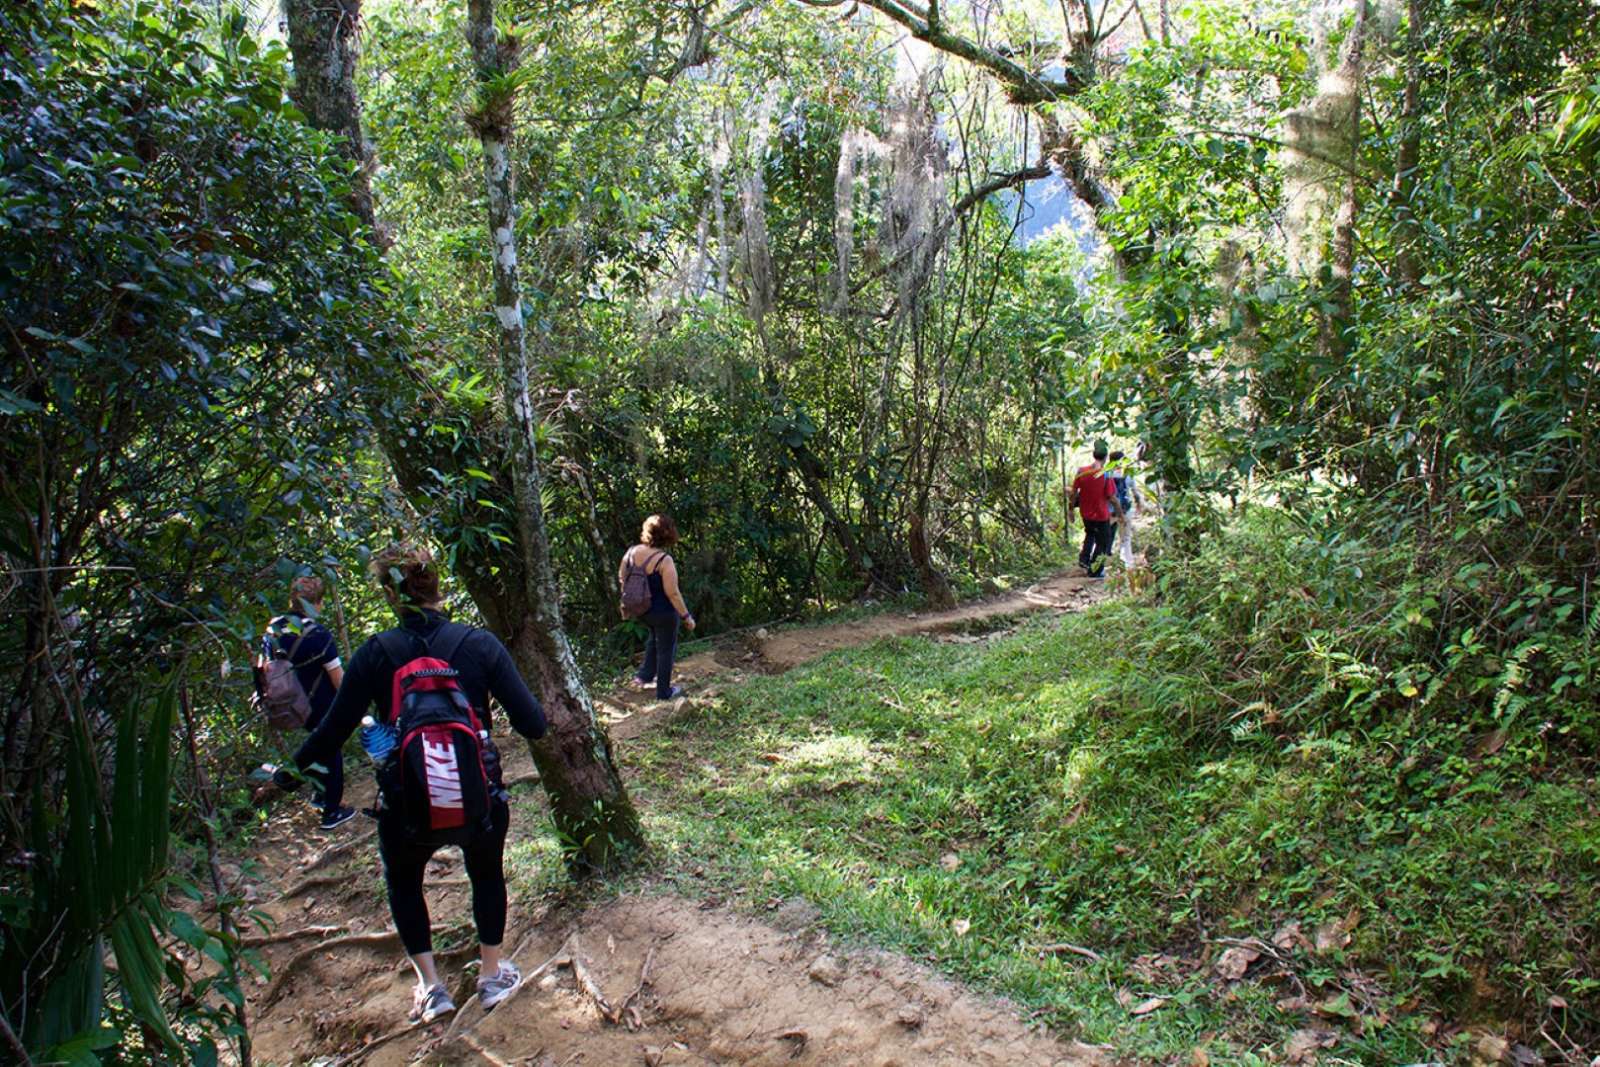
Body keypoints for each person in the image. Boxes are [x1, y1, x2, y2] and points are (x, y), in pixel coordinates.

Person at [275, 543, 548, 1025]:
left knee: (403, 881)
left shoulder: (375, 654)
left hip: (405, 807)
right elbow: (534, 724)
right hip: (479, 803)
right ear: (437, 584)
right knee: (486, 873)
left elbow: (331, 732)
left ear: (388, 593)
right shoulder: (479, 644)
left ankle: (430, 988)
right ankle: (490, 976)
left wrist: (284, 777)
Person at [256, 576, 354, 830]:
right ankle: (332, 811)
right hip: (321, 704)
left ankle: (320, 795)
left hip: (290, 703)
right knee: (330, 752)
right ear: (317, 604)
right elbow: (337, 677)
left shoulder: (274, 629)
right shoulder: (319, 635)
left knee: (317, 748)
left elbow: (265, 665)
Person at [618, 514, 695, 700]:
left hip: (641, 610)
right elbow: (673, 593)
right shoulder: (664, 560)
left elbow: (622, 579)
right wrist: (686, 616)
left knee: (653, 639)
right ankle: (664, 692)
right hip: (663, 612)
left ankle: (643, 676)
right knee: (666, 650)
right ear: (668, 535)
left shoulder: (630, 553)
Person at [1070, 444, 1126, 579]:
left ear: (1094, 456)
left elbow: (1073, 492)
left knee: (1090, 533)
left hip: (1086, 513)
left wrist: (1070, 510)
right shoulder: (1105, 474)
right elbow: (1112, 498)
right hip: (1101, 514)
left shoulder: (1081, 471)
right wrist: (1120, 514)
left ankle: (1084, 561)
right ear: (1106, 458)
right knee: (1103, 542)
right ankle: (1095, 571)